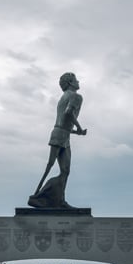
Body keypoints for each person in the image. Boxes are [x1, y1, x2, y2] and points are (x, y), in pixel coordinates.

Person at [28, 72, 87, 208]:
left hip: (62, 134)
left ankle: (59, 200)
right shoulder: (76, 96)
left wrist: (77, 132)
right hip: (60, 135)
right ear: (71, 83)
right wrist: (79, 127)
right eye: (76, 80)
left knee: (63, 170)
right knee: (51, 167)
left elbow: (63, 123)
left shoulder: (63, 97)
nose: (78, 82)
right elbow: (68, 113)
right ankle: (39, 196)